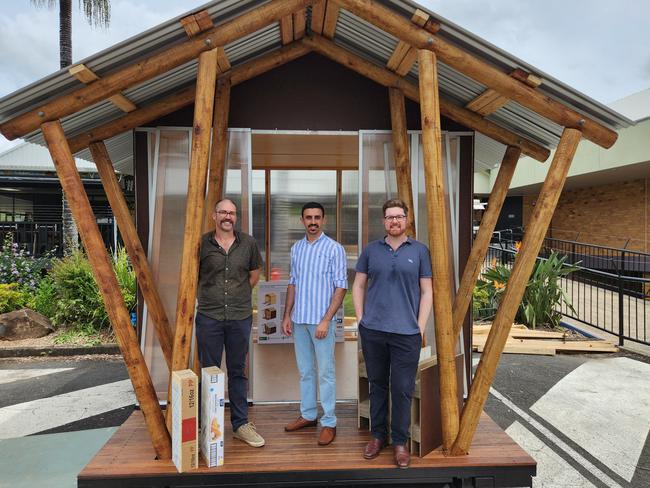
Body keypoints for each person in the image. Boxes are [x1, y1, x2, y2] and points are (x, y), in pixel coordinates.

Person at [352, 198, 433, 468]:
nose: (394, 221)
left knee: (402, 389)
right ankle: (378, 436)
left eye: (399, 216)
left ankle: (400, 442)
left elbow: (427, 292)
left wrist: (419, 328)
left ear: (406, 219)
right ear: (383, 221)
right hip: (373, 331)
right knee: (377, 385)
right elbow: (359, 286)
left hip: (406, 334)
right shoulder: (371, 250)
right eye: (389, 217)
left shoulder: (420, 251)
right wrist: (362, 319)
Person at [195, 198, 265, 448]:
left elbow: (254, 272)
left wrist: (239, 293)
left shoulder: (248, 243)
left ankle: (240, 424)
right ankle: (207, 424)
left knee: (237, 371)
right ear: (214, 216)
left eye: (232, 213)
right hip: (209, 317)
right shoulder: (202, 243)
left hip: (239, 316)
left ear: (236, 217)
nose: (227, 216)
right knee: (209, 371)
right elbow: (193, 274)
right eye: (223, 212)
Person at [281, 202, 347, 446]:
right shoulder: (297, 248)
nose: (313, 221)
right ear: (302, 220)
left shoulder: (334, 249)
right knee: (305, 372)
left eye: (317, 217)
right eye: (308, 217)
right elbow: (293, 283)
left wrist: (326, 320)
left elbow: (341, 286)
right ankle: (308, 415)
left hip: (322, 323)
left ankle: (329, 422)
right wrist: (287, 315)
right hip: (299, 321)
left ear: (324, 220)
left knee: (326, 373)